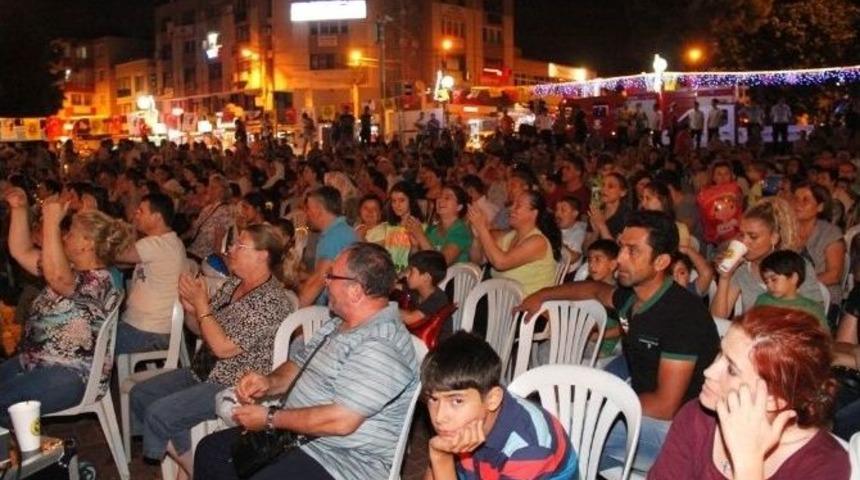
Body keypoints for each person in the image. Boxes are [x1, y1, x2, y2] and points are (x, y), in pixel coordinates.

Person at [194, 243, 419, 480]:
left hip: (342, 461)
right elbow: (299, 364)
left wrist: (270, 419)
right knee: (212, 452)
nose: (326, 281)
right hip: (296, 437)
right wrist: (269, 382)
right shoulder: (340, 322)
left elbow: (341, 420)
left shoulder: (381, 345)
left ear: (355, 291)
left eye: (332, 276)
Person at [516, 210, 720, 471]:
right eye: (621, 247)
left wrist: (600, 402)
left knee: (563, 430)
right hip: (642, 410)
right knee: (560, 431)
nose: (619, 259)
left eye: (632, 251)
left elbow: (666, 405)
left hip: (679, 432)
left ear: (661, 262)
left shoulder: (683, 316)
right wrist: (543, 294)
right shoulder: (631, 297)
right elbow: (594, 289)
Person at [130, 224, 293, 478]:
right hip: (202, 370)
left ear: (263, 255)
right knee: (140, 394)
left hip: (232, 382)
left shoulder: (271, 301)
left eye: (240, 245)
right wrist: (192, 310)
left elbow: (223, 348)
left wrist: (201, 305)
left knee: (159, 414)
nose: (230, 249)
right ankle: (191, 462)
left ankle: (197, 471)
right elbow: (202, 330)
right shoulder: (233, 285)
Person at [649, 306, 850, 479]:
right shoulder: (698, 417)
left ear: (775, 400)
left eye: (731, 369)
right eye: (720, 353)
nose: (708, 371)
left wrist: (748, 464)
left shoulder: (823, 466)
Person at [0, 189, 135, 427]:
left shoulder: (102, 279)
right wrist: (19, 210)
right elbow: (22, 252)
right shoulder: (71, 269)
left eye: (71, 233)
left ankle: (25, 458)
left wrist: (51, 221)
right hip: (34, 362)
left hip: (68, 376)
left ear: (87, 245)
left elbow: (59, 279)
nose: (65, 237)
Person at [422, 331, 578, 480]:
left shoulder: (528, 448)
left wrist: (441, 458)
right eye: (432, 399)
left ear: (493, 399)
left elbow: (441, 464)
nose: (439, 417)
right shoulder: (462, 423)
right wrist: (438, 457)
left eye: (457, 401)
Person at [711, 197, 824, 319]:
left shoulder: (796, 266)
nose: (744, 242)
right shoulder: (742, 268)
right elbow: (717, 319)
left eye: (753, 237)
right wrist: (724, 278)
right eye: (742, 235)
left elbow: (816, 314)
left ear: (774, 238)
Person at [114, 192, 187, 354]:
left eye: (141, 211)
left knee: (91, 347)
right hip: (155, 327)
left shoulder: (156, 244)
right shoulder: (171, 242)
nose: (136, 214)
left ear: (157, 217)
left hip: (148, 330)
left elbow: (116, 254)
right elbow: (121, 261)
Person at [469, 190, 561, 295]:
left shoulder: (538, 241)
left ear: (534, 213)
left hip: (526, 306)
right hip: (500, 301)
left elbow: (500, 263)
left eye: (518, 206)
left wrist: (482, 228)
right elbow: (477, 260)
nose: (511, 209)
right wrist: (477, 236)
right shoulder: (510, 236)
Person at [792, 181, 845, 324]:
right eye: (796, 199)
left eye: (806, 200)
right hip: (787, 294)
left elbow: (834, 275)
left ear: (820, 207)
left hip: (823, 294)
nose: (798, 204)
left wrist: (795, 286)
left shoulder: (830, 232)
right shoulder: (786, 231)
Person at [298, 186, 357, 306]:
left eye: (308, 208)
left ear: (318, 210)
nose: (306, 213)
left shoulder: (334, 236)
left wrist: (290, 315)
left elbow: (320, 280)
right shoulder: (342, 230)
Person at [753, 250, 827, 328]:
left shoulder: (812, 308)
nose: (769, 285)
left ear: (794, 278)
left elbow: (823, 337)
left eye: (774, 279)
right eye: (766, 281)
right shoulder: (763, 300)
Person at [407, 184, 473, 265]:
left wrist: (420, 236)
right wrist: (415, 246)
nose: (440, 200)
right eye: (439, 196)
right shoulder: (432, 229)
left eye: (447, 198)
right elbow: (414, 263)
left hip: (450, 277)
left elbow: (442, 263)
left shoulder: (461, 231)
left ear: (459, 207)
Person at [399, 250, 453, 342]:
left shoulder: (438, 299)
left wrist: (384, 305)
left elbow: (410, 318)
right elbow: (396, 286)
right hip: (419, 340)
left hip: (437, 347)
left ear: (426, 277)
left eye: (411, 271)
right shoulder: (417, 290)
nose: (406, 274)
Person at [184, 174, 234, 262]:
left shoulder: (225, 211)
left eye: (214, 188)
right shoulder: (208, 208)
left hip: (203, 255)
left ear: (222, 191)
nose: (209, 190)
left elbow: (218, 242)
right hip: (194, 248)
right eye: (210, 187)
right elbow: (194, 229)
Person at [585, 239, 622, 358]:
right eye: (589, 260)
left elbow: (623, 328)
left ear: (612, 265)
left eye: (597, 259)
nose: (591, 265)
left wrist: (597, 336)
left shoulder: (619, 293)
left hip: (603, 347)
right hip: (585, 339)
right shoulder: (585, 286)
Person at [590, 172, 632, 240]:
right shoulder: (597, 212)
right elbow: (585, 248)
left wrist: (602, 226)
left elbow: (618, 249)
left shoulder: (627, 215)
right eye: (602, 185)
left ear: (623, 192)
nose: (604, 189)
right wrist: (596, 232)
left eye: (610, 186)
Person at [555, 195, 587, 266]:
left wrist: (556, 240)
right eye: (556, 209)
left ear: (574, 213)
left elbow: (572, 258)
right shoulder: (553, 226)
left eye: (563, 210)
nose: (557, 214)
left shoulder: (579, 231)